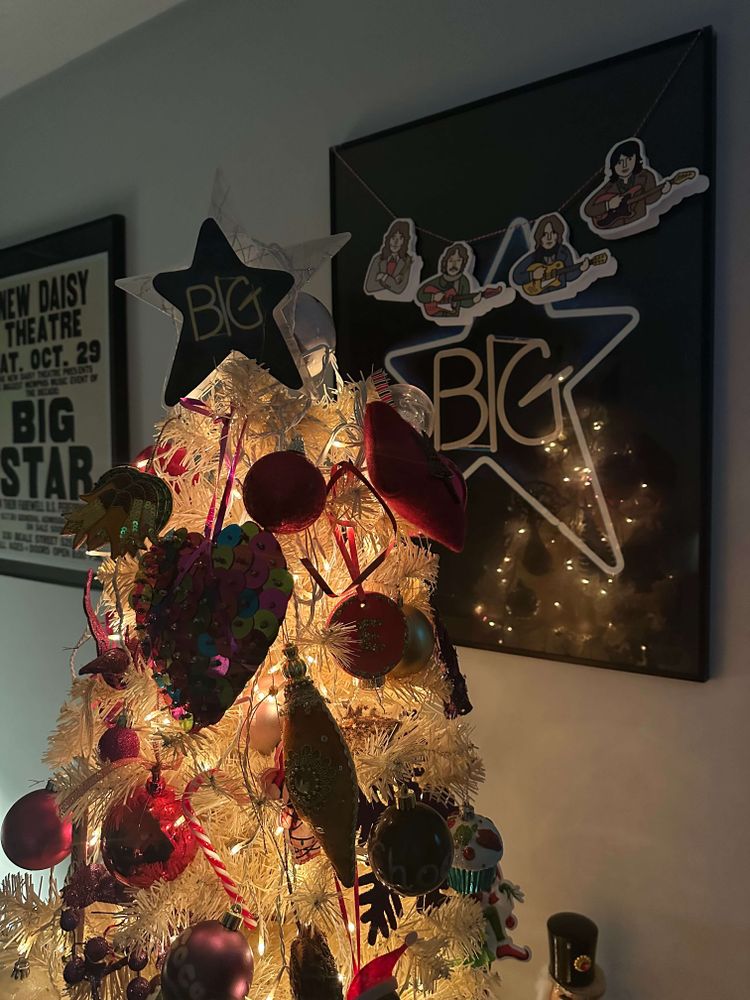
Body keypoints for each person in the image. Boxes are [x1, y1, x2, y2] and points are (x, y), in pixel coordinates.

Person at [583, 139, 668, 230]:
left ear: (637, 159)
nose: (624, 165)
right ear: (613, 165)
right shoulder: (609, 185)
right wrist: (608, 205)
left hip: (639, 222)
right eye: (619, 162)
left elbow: (650, 200)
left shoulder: (646, 176)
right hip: (614, 227)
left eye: (629, 159)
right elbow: (588, 209)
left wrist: (662, 192)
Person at [511, 214, 589, 294]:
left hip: (561, 293)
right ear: (539, 237)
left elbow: (568, 276)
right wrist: (532, 275)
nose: (549, 237)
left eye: (553, 233)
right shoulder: (533, 256)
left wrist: (580, 270)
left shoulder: (564, 252)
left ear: (558, 234)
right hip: (540, 295)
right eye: (544, 234)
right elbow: (516, 277)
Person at [416, 242, 482, 318]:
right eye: (450, 261)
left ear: (463, 263)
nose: (454, 265)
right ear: (445, 262)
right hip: (436, 313)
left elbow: (463, 302)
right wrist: (433, 297)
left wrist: (473, 301)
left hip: (454, 316)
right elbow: (419, 295)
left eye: (458, 261)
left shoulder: (464, 281)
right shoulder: (438, 280)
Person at [364, 219, 416, 296]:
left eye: (400, 238)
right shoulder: (379, 259)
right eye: (393, 237)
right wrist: (393, 284)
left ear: (405, 241)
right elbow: (369, 287)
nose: (395, 242)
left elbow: (399, 289)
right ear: (388, 239)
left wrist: (384, 277)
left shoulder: (407, 261)